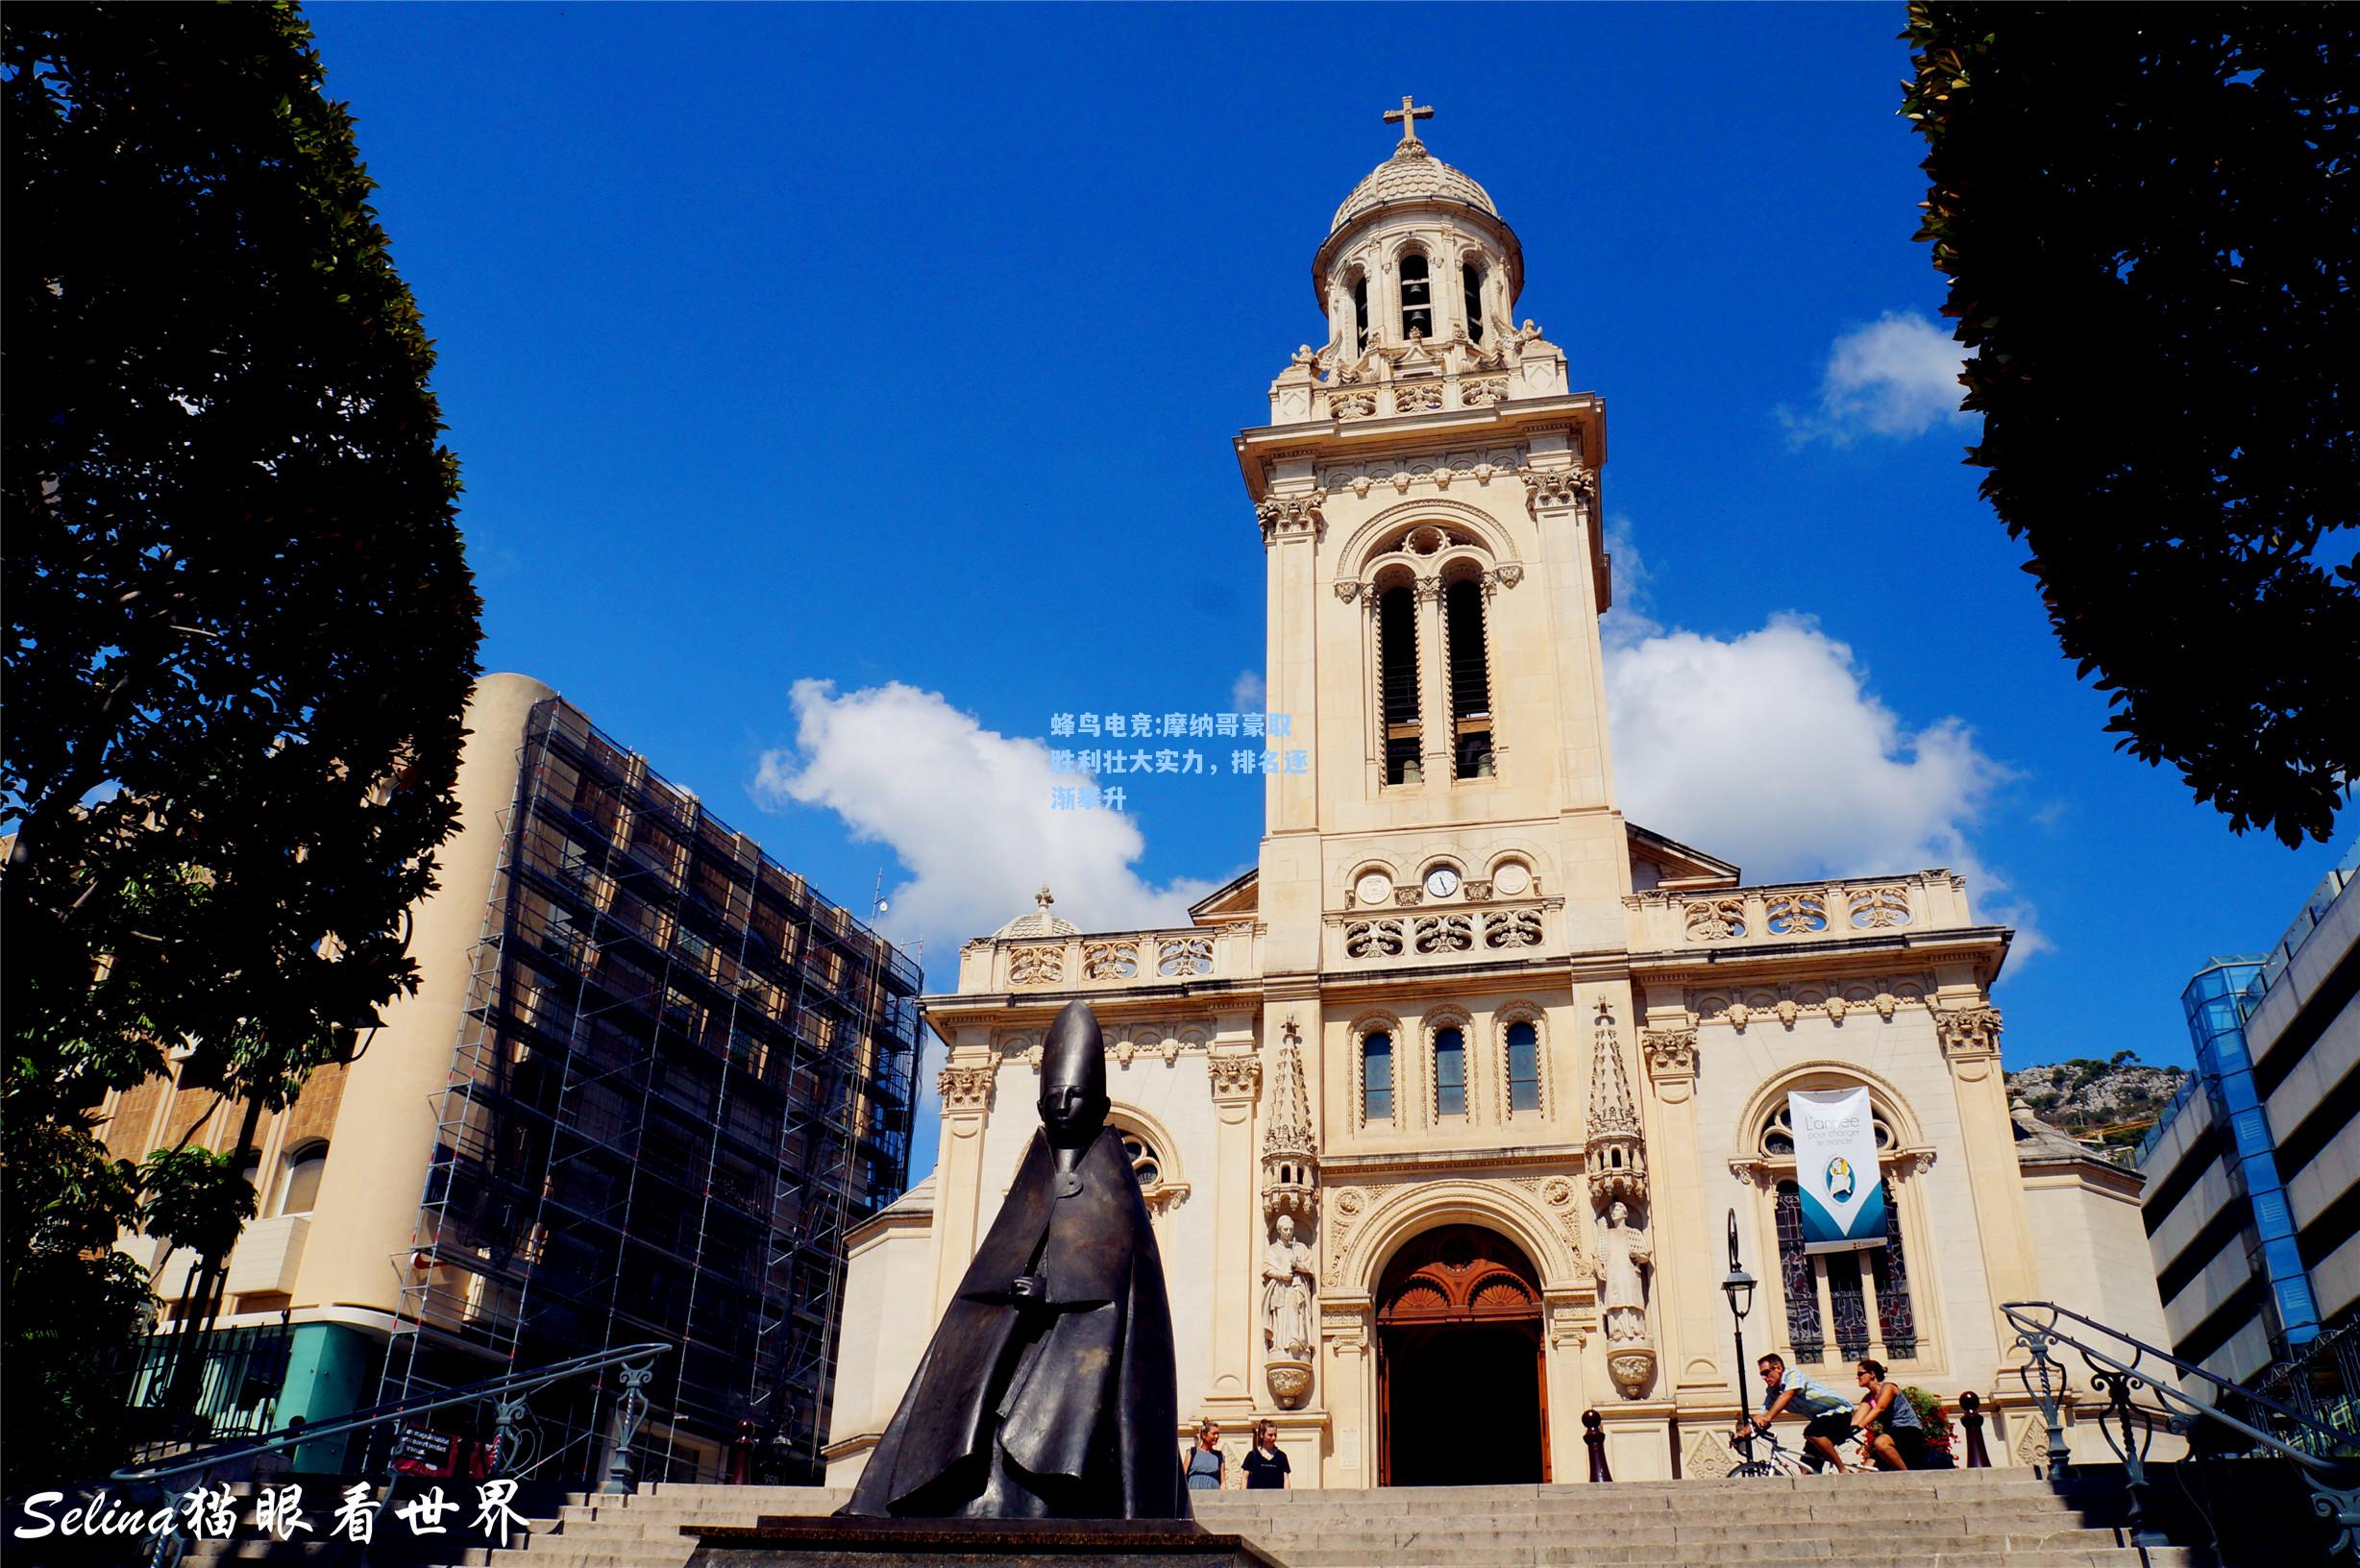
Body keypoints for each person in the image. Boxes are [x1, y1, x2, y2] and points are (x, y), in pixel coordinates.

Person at [840, 1001, 1185, 1519]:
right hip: (1019, 1339)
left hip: (1075, 1359)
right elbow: (991, 1275)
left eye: (1075, 1096)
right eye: (1053, 1098)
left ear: (1101, 1103)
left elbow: (1117, 1288)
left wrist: (1056, 1292)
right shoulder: (1035, 1172)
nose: (1064, 1105)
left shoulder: (1114, 1182)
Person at [1733, 1352, 1858, 1473]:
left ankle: (1843, 1469)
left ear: (1778, 1368)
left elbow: (1787, 1395)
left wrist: (1768, 1418)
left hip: (1839, 1413)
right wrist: (1742, 1433)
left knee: (1812, 1432)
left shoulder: (1793, 1374)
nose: (1764, 1378)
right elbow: (1762, 1414)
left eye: (1766, 1373)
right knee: (1806, 1468)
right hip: (1820, 1420)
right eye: (1762, 1375)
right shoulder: (1773, 1392)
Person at [1853, 1359, 1925, 1470]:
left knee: (1881, 1443)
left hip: (1908, 1430)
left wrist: (1862, 1425)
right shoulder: (1868, 1398)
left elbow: (1880, 1408)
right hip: (1892, 1433)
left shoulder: (1888, 1387)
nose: (1857, 1377)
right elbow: (1856, 1420)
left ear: (1872, 1374)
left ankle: (1907, 1475)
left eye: (1860, 1374)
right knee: (1866, 1470)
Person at [1241, 1421, 1291, 1490]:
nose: (1273, 1438)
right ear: (1262, 1434)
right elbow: (1245, 1478)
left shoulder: (1282, 1456)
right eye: (1270, 1435)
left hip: (1276, 1499)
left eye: (1275, 1435)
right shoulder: (1252, 1456)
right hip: (1256, 1499)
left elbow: (1286, 1480)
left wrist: (1287, 1498)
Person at [1185, 1419, 1225, 1491]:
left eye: (1218, 1434)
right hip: (1193, 1492)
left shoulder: (1219, 1456)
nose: (1216, 1436)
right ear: (1204, 1435)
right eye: (1213, 1433)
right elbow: (1183, 1476)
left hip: (1213, 1493)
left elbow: (1223, 1481)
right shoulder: (1192, 1452)